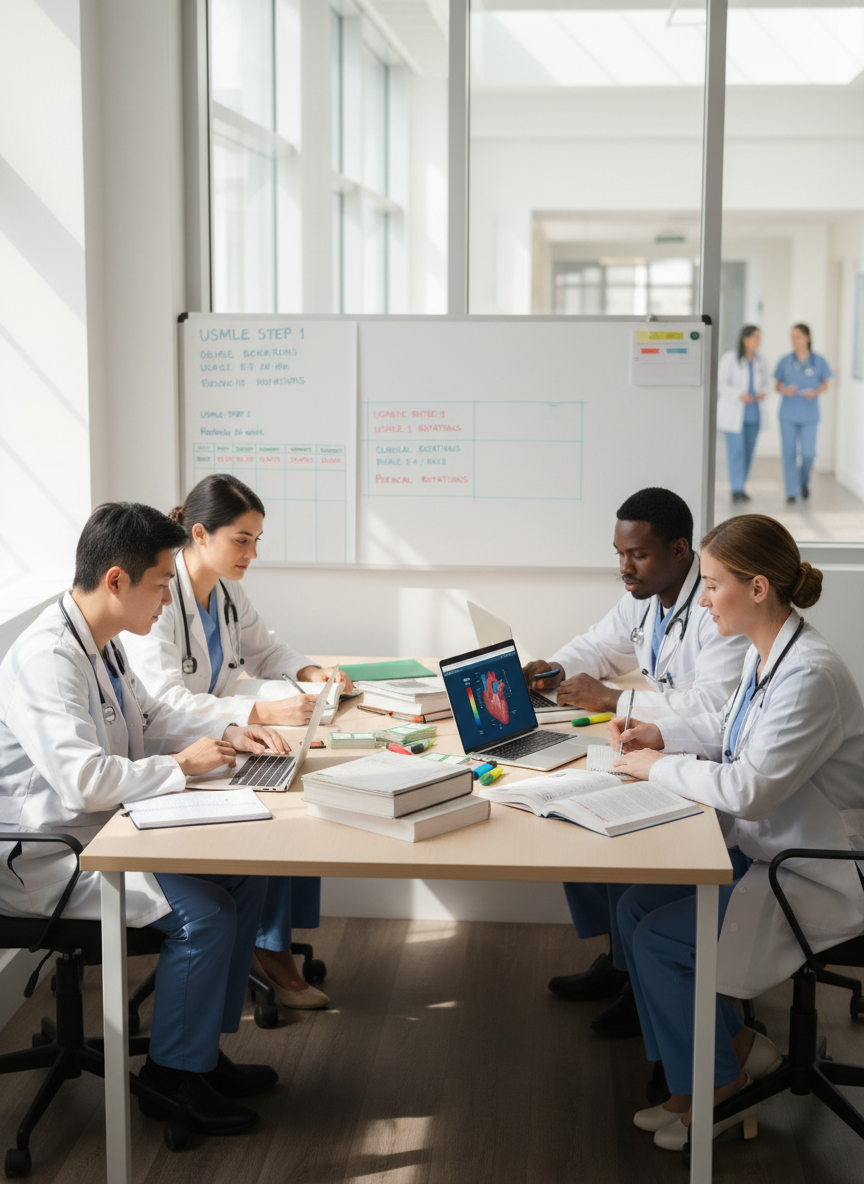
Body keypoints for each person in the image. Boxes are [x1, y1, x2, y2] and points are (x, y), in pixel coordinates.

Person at [0, 503, 291, 1135]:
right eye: (161, 584)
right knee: (207, 913)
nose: (168, 600)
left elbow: (151, 721)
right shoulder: (48, 659)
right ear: (115, 581)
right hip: (54, 854)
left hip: (108, 829)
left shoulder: (99, 643)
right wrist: (182, 768)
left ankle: (200, 1058)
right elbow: (81, 781)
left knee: (248, 877)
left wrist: (231, 731)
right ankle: (171, 1081)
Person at [610, 514, 864, 1151]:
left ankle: (718, 1087)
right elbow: (728, 727)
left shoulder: (809, 675)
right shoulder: (773, 653)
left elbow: (750, 787)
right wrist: (661, 736)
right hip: (772, 851)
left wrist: (656, 767)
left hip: (815, 871)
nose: (701, 598)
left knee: (660, 943)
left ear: (757, 588)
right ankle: (723, 1060)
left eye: (713, 584)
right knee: (635, 907)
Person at [521, 488, 748, 1036]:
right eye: (619, 554)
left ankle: (637, 979)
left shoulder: (717, 608)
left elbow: (712, 708)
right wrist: (556, 667)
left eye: (637, 555)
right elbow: (601, 645)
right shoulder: (645, 593)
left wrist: (616, 700)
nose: (624, 567)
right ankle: (623, 964)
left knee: (613, 830)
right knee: (570, 808)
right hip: (660, 749)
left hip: (701, 767)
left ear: (679, 550)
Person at [123, 473, 352, 1010]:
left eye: (257, 541)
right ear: (200, 534)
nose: (251, 553)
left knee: (301, 787)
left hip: (219, 740)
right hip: (175, 755)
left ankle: (269, 941)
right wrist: (258, 709)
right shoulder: (158, 596)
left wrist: (313, 671)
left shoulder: (226, 589)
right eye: (241, 540)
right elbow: (164, 703)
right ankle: (269, 952)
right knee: (277, 814)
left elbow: (268, 651)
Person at [774, 323, 832, 504]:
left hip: (809, 415)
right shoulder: (785, 360)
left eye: (797, 336)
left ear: (807, 337)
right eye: (792, 336)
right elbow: (776, 384)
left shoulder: (818, 361)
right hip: (788, 414)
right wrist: (784, 389)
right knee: (789, 453)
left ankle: (803, 481)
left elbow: (825, 383)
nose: (794, 340)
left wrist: (815, 392)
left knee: (809, 454)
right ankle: (791, 491)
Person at [717, 325, 768, 504]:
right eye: (755, 337)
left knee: (748, 452)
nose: (758, 341)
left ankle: (741, 486)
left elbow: (765, 383)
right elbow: (721, 384)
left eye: (759, 337)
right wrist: (739, 395)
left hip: (753, 414)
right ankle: (736, 488)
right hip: (734, 413)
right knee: (736, 452)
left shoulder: (760, 360)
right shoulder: (730, 359)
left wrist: (762, 392)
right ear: (745, 339)